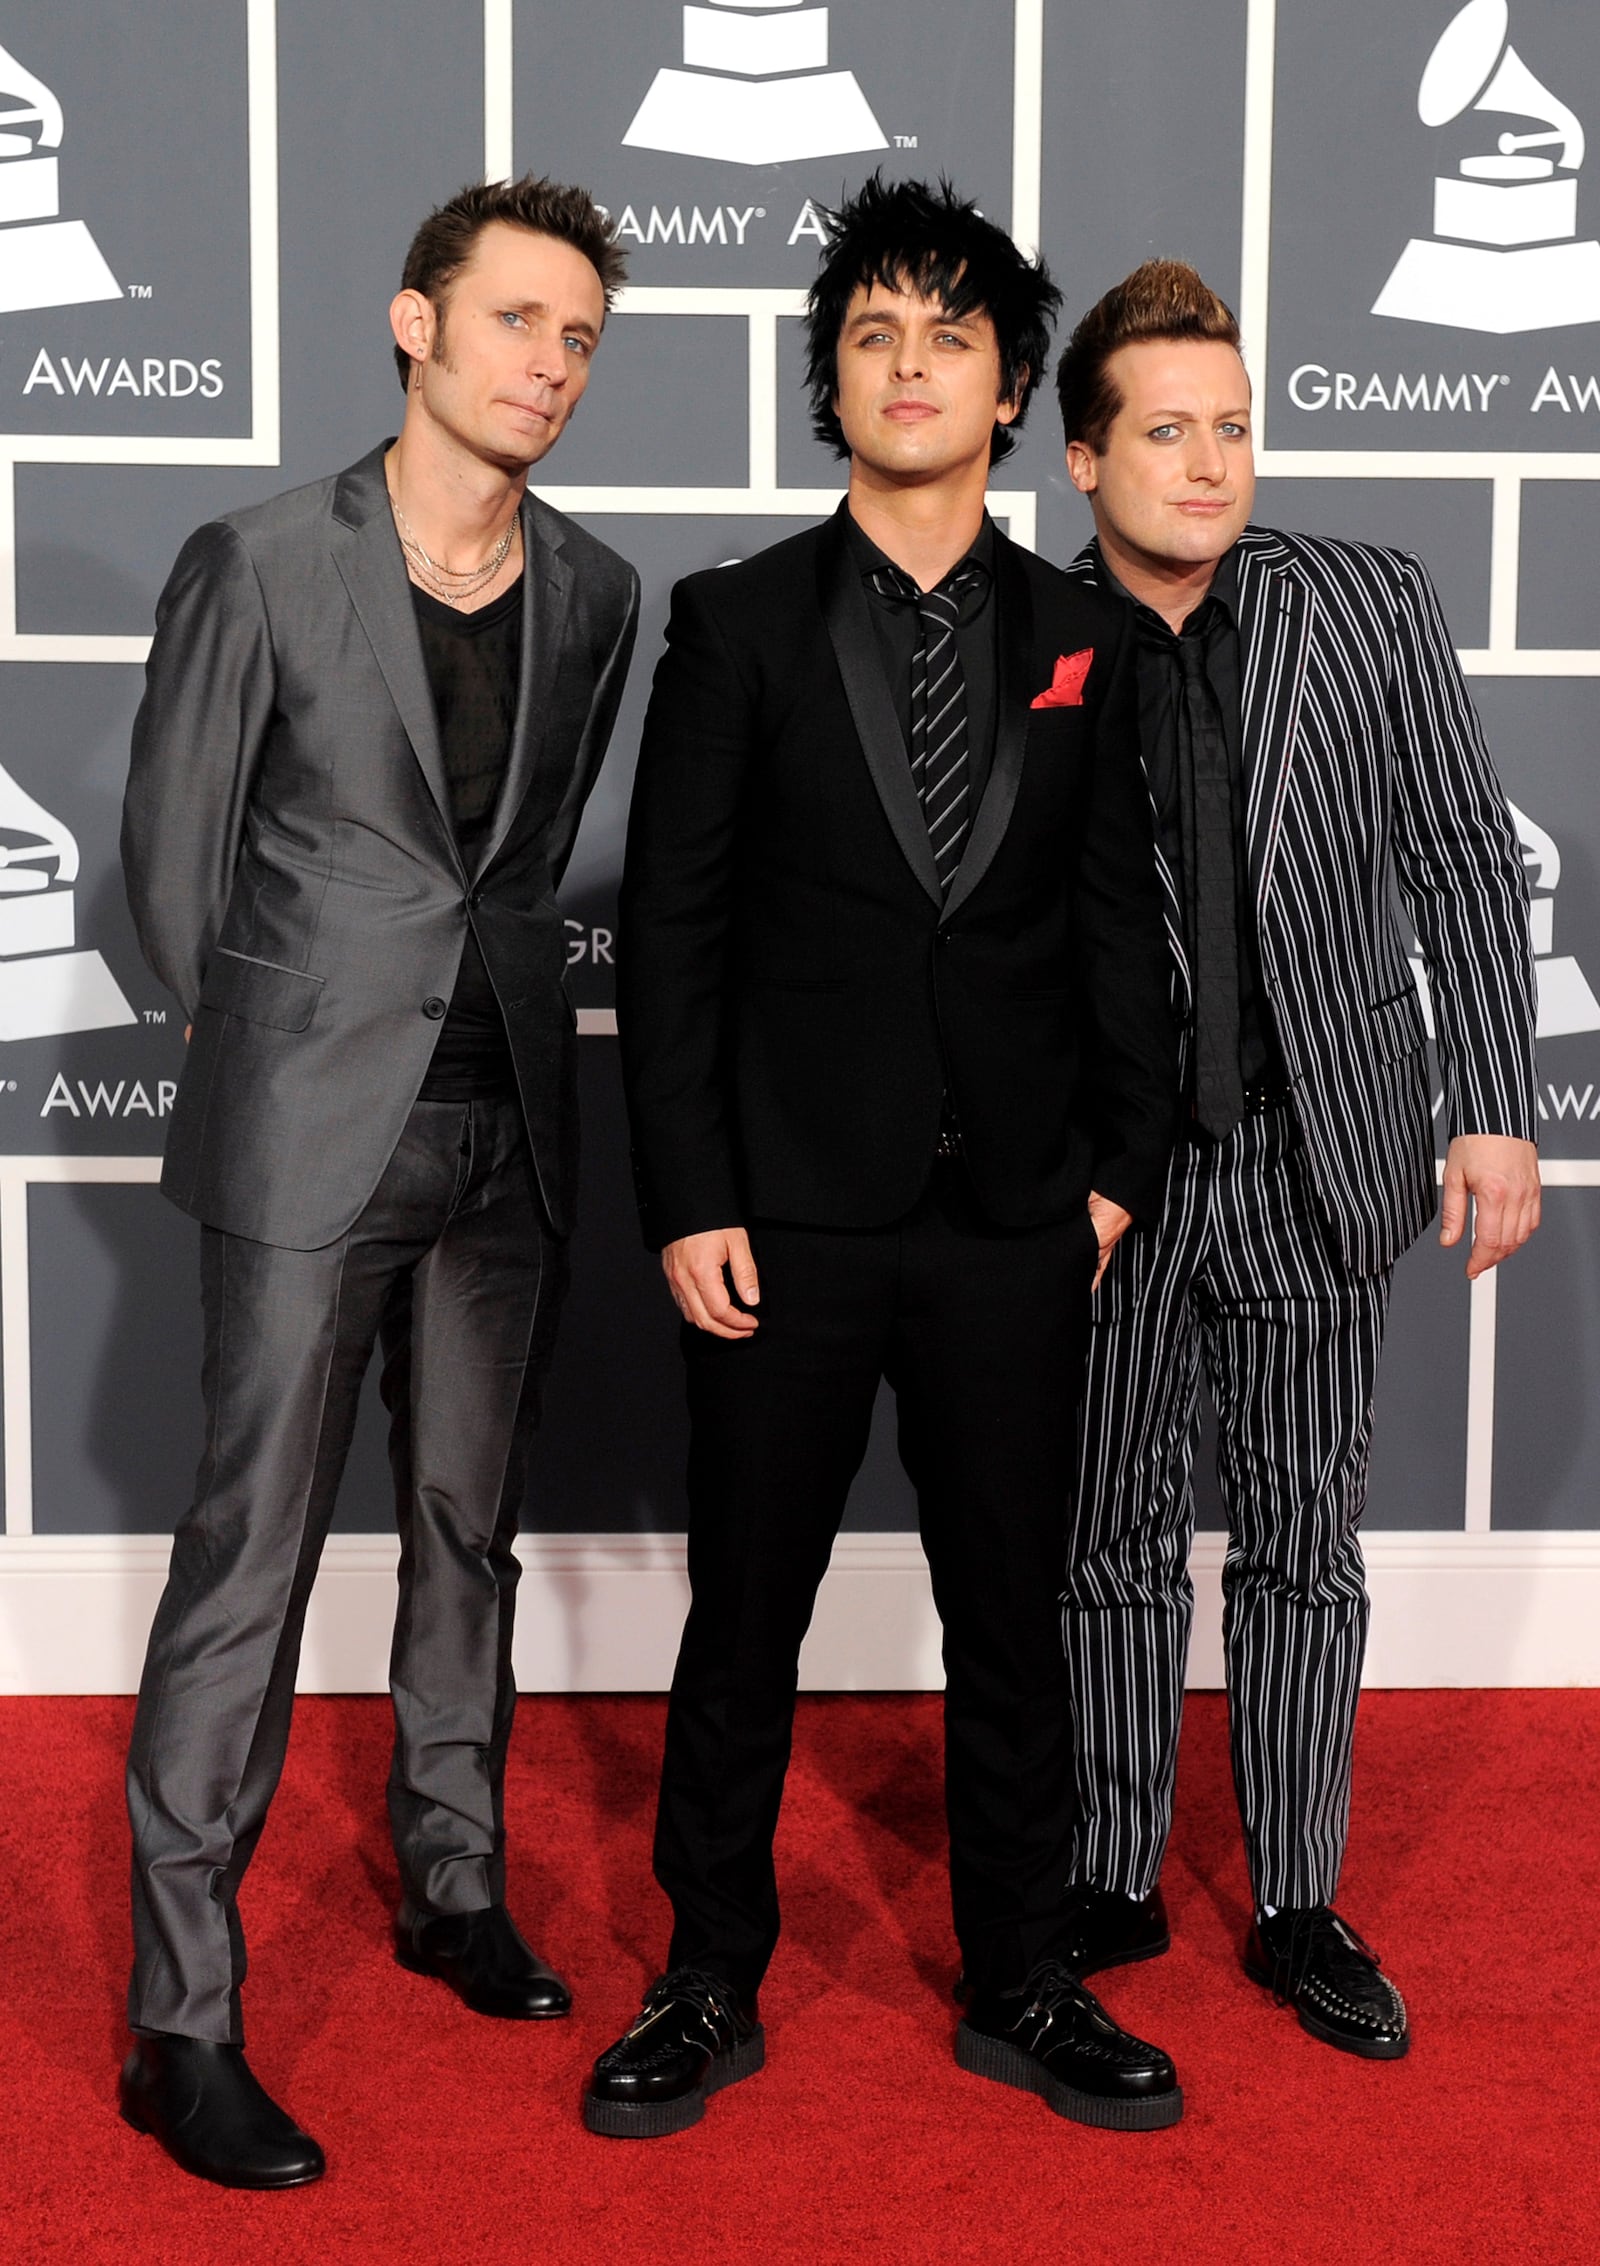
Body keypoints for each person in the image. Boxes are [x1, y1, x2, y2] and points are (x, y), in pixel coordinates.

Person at [588, 177, 1179, 2141]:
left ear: (1010, 385)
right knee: (741, 1609)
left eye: (947, 334)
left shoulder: (1088, 637)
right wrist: (686, 1192)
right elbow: (671, 933)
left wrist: (1107, 1171)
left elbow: (1118, 927)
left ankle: (1021, 1968)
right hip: (781, 1220)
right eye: (868, 334)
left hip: (1016, 1220)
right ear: (827, 382)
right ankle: (705, 1972)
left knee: (1011, 1606)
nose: (907, 364)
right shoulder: (733, 620)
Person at [118, 175, 639, 2189]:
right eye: (515, 320)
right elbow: (169, 875)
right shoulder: (253, 561)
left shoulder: (594, 590)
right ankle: (181, 2019)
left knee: (465, 1529)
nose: (549, 364)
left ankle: (449, 1881)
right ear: (413, 326)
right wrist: (292, 1046)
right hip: (305, 1127)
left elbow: (515, 863)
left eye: (579, 336)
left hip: (508, 1122)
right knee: (246, 1558)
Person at [1054, 260, 1539, 2063]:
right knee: (1099, 1534)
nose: (1211, 464)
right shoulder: (1027, 632)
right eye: (1168, 433)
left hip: (1321, 1149)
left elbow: (1467, 865)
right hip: (1111, 1173)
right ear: (1084, 456)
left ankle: (1295, 1895)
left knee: (1302, 1539)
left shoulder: (1367, 606)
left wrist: (1492, 1100)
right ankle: (1108, 1868)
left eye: (1235, 429)